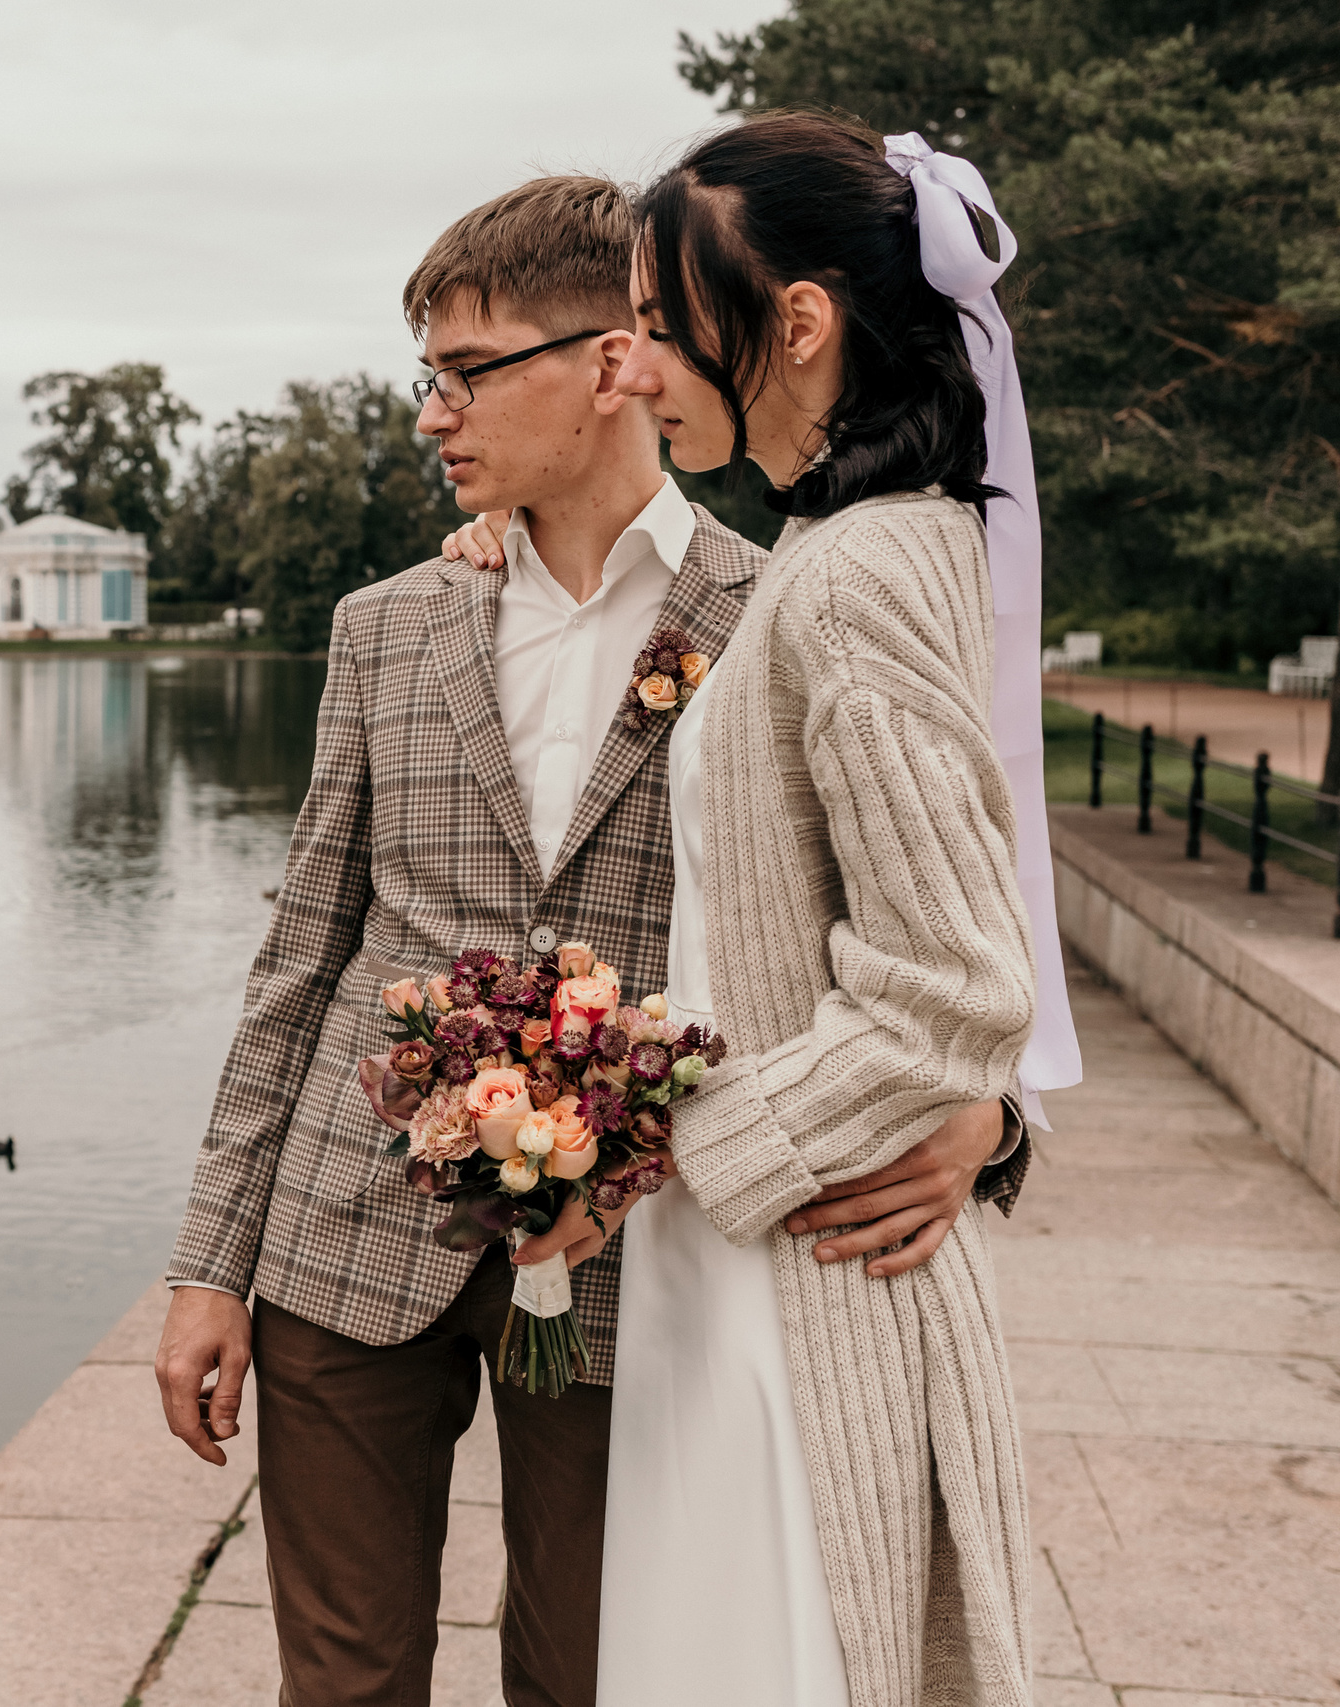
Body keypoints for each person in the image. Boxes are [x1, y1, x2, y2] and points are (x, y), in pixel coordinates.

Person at [152, 174, 1024, 1707]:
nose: (433, 414)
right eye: (423, 376)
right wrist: (208, 1264)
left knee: (589, 1678)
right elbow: (301, 955)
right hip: (345, 1234)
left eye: (468, 371)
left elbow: (905, 923)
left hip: (637, 1258)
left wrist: (985, 1114)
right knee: (341, 1685)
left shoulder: (780, 608)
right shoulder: (387, 624)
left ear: (617, 352)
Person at [593, 108, 1076, 1707]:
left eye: (664, 329)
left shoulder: (861, 575)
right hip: (750, 1254)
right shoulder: (832, 552)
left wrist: (655, 1156)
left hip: (794, 1277)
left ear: (797, 323)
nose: (636, 368)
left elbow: (950, 981)